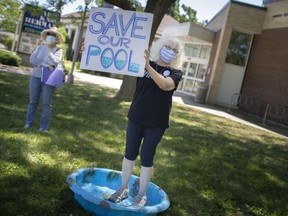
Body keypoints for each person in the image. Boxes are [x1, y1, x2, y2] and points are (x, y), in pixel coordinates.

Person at [108, 35, 183, 206]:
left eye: (174, 50)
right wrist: (90, 52)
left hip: (157, 122)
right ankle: (123, 189)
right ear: (160, 46)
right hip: (136, 116)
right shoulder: (141, 62)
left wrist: (148, 66)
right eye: (168, 47)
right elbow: (118, 61)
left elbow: (164, 85)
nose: (170, 51)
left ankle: (141, 195)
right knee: (129, 153)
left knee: (147, 157)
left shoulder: (175, 73)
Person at [24, 26, 63, 132]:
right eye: (49, 34)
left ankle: (43, 127)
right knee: (33, 101)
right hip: (35, 76)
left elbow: (55, 62)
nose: (51, 36)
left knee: (46, 103)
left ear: (57, 38)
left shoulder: (59, 50)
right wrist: (44, 65)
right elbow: (32, 59)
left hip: (49, 79)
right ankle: (28, 123)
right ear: (46, 36)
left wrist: (50, 51)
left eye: (53, 35)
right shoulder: (40, 47)